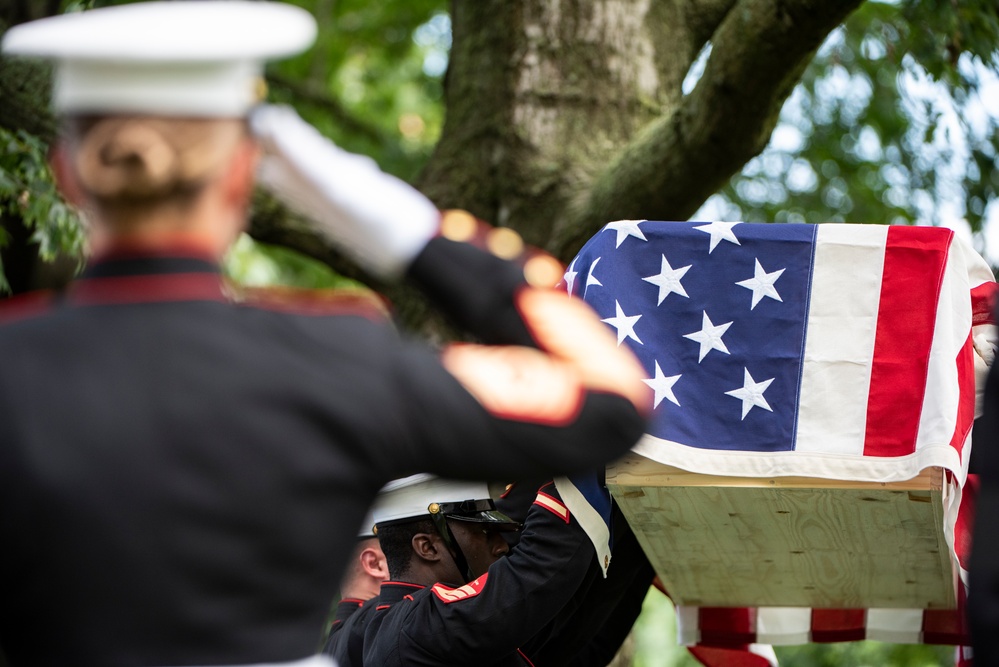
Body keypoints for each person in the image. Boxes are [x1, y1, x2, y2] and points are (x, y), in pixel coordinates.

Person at [0, 3, 650, 665]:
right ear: (240, 176)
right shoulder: (336, 359)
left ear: (64, 171)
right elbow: (610, 397)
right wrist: (405, 230)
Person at [330, 473, 605, 666]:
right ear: (427, 547)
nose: (501, 546)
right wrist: (585, 451)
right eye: (484, 532)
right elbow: (536, 566)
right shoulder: (417, 628)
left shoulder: (391, 627)